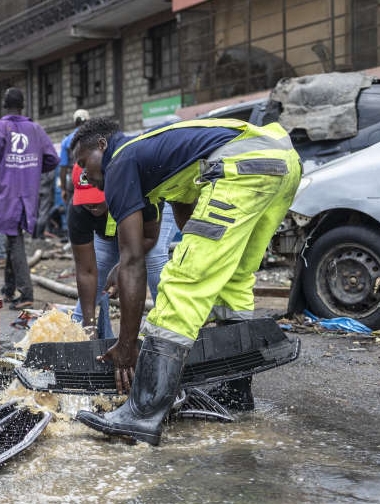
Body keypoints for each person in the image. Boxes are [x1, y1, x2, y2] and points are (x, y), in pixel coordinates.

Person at [72, 117, 301, 445]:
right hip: (282, 164)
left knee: (182, 282)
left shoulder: (120, 159)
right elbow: (174, 222)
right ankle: (236, 393)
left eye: (83, 162)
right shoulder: (157, 155)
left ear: (102, 146)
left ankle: (143, 411)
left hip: (241, 169)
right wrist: (122, 266)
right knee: (232, 280)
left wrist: (126, 346)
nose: (83, 174)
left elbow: (135, 261)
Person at [67, 163, 177, 339]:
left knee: (154, 257)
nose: (90, 204)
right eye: (85, 198)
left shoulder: (137, 193)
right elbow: (86, 271)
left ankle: (170, 328)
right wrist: (88, 327)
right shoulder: (79, 210)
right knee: (99, 267)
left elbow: (147, 239)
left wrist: (122, 267)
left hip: (152, 219)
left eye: (96, 198)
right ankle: (80, 329)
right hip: (110, 228)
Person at [0, 88, 57, 307]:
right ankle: (8, 289)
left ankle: (26, 293)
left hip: (5, 195)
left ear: (4, 105)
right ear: (23, 105)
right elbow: (52, 159)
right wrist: (32, 168)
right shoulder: (35, 129)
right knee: (13, 237)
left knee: (14, 239)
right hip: (27, 194)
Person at [59, 109, 90, 209]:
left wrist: (63, 189)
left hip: (73, 181)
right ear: (88, 121)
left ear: (75, 123)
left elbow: (63, 167)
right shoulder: (94, 137)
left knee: (72, 210)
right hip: (92, 179)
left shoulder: (66, 141)